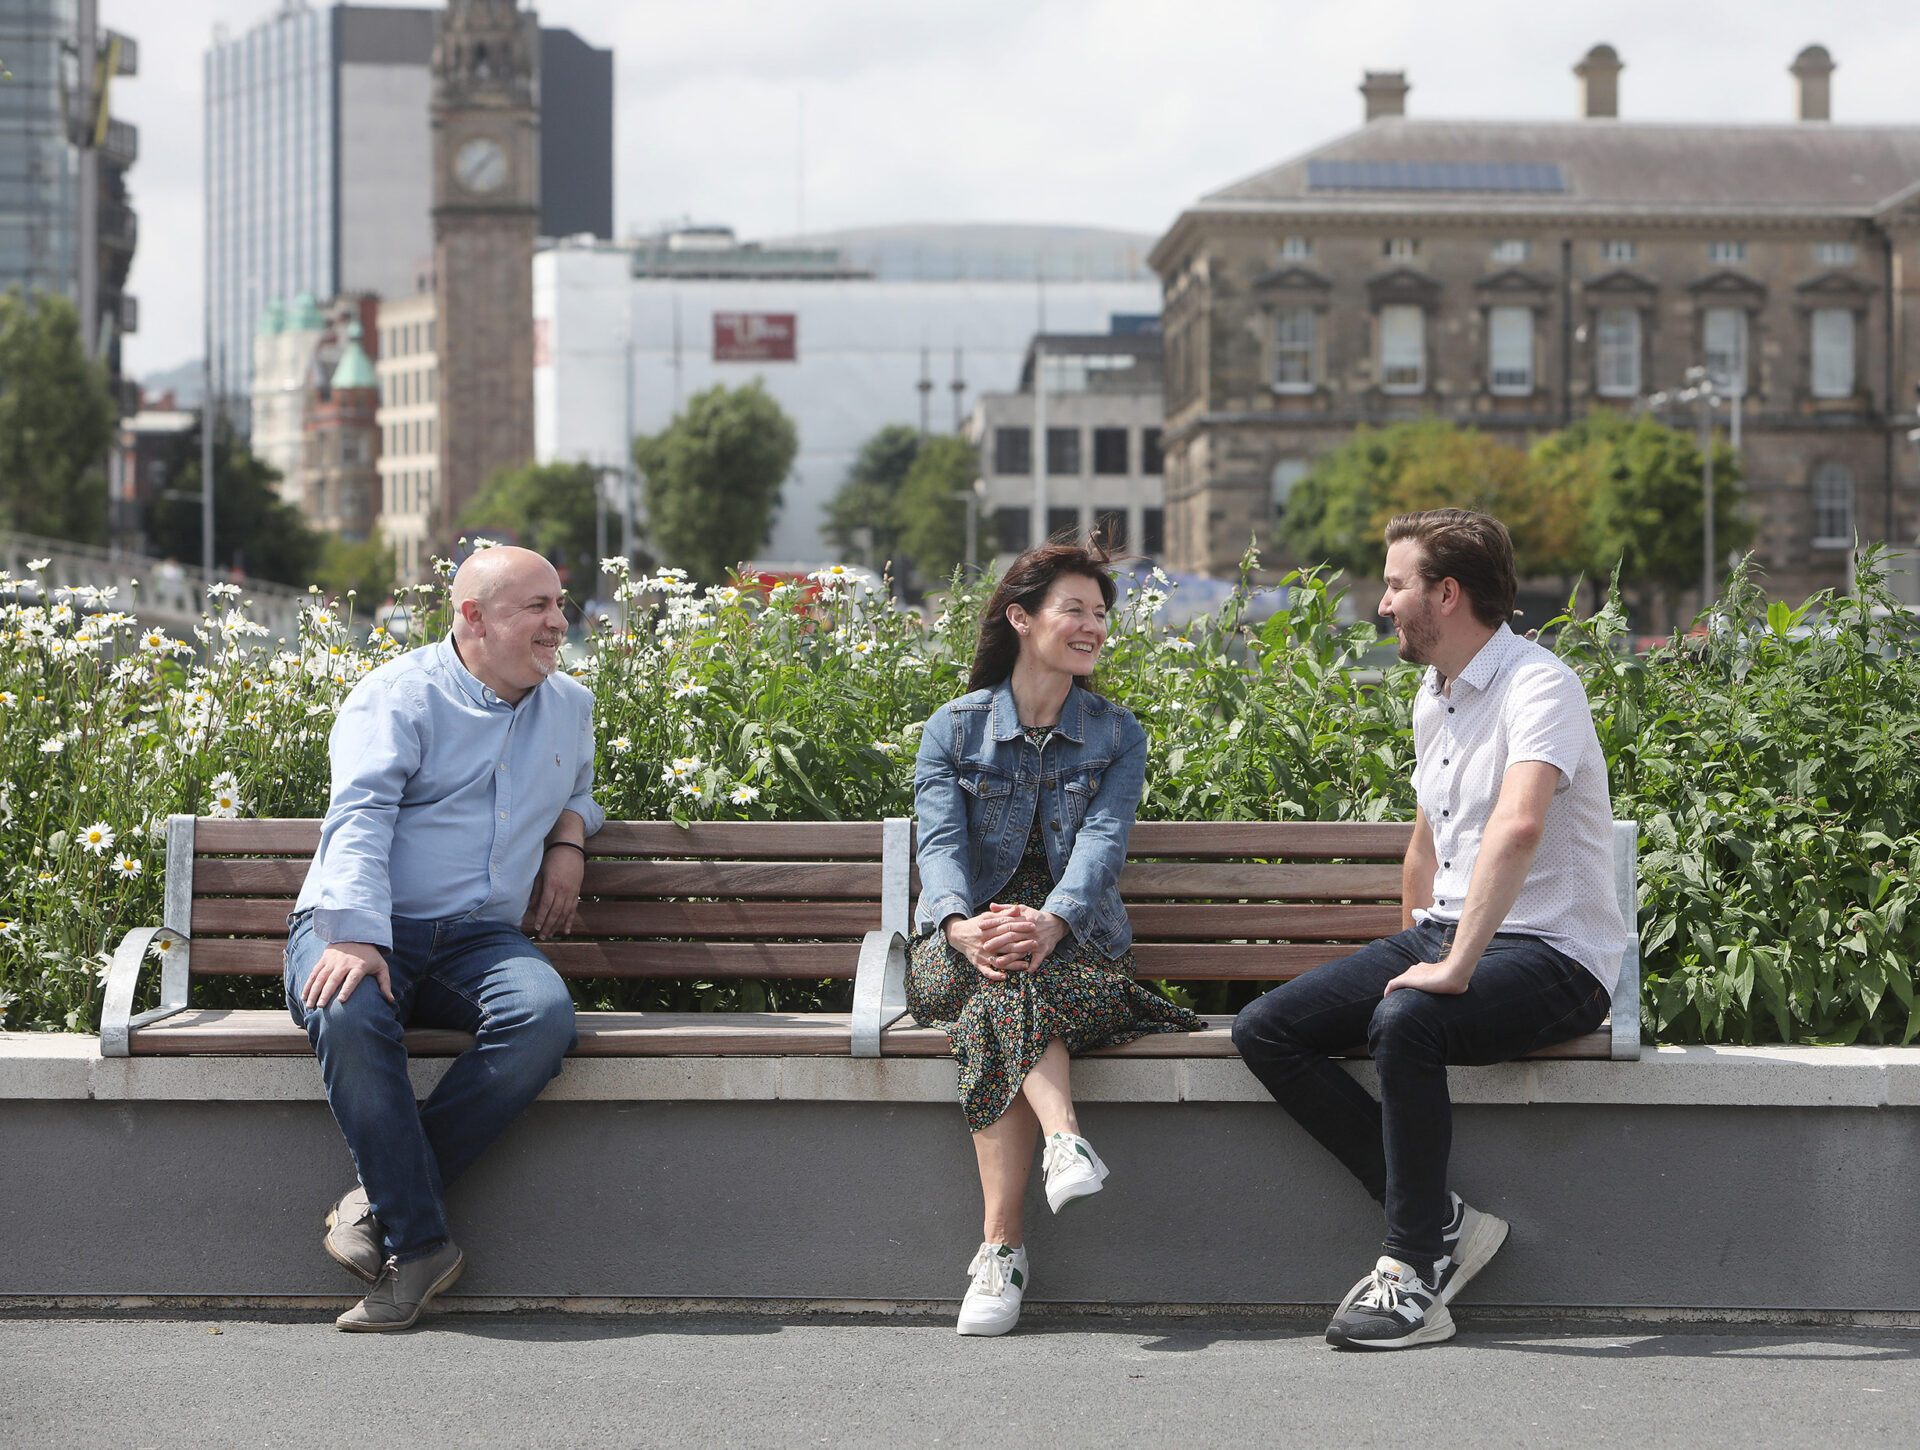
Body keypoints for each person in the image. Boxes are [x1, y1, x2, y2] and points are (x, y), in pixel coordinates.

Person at [1232, 509, 1627, 1351]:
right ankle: (1442, 1218)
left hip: (1557, 956)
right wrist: (1415, 943)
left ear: (1447, 595)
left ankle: (1412, 1271)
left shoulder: (1539, 685)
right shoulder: (1434, 692)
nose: (1381, 605)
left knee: (1406, 1019)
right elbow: (1429, 838)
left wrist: (1451, 969)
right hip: (1452, 929)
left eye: (1396, 584)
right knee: (1269, 1028)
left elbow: (1518, 827)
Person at [284, 545, 603, 1331]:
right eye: (537, 607)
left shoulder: (570, 704)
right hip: (363, 923)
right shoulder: (397, 696)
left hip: (475, 939)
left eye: (560, 605)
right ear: (473, 616)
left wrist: (569, 837)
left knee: (541, 1018)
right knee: (348, 1010)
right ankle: (421, 1242)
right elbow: (358, 818)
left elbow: (583, 790)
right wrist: (356, 937)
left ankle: (378, 1202)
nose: (558, 622)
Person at [910, 541, 1203, 1337]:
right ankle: (1065, 1140)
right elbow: (937, 848)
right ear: (1021, 618)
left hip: (1077, 946)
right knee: (992, 977)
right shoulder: (953, 729)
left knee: (994, 1008)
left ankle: (999, 1256)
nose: (1092, 626)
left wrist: (1050, 919)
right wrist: (965, 926)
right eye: (1074, 609)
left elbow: (1102, 846)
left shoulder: (1117, 734)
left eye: (1101, 613)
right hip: (963, 943)